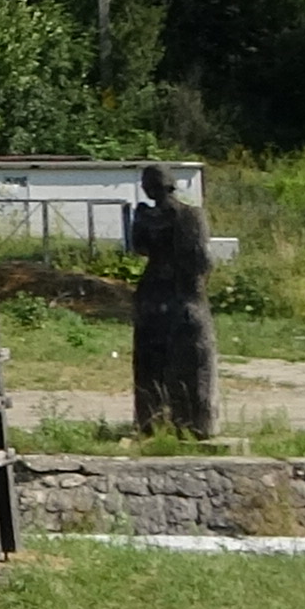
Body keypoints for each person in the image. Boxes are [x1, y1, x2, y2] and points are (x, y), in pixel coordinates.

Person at [127, 165, 219, 436]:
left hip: (155, 291)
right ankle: (188, 424)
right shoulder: (190, 215)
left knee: (152, 360)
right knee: (182, 360)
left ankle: (153, 423)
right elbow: (202, 261)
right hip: (180, 293)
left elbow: (139, 247)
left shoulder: (151, 217)